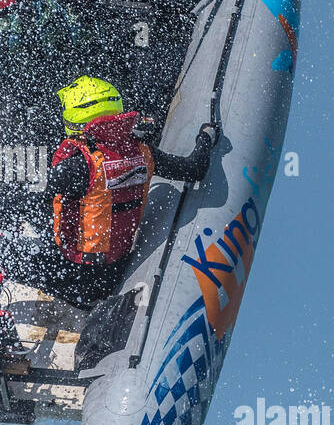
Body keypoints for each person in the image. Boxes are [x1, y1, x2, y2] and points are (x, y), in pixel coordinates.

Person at [48, 75, 217, 276]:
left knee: (8, 245)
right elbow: (194, 168)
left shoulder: (77, 166)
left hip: (77, 274)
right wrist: (206, 137)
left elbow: (30, 199)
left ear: (75, 120)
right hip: (114, 269)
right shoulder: (143, 152)